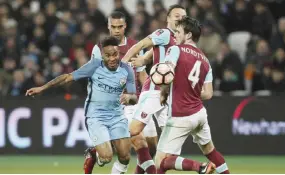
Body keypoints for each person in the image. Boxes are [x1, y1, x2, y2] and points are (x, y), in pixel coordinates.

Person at [26, 36, 136, 174]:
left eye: (115, 54)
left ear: (119, 52)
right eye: (108, 55)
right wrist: (42, 88)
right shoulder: (94, 66)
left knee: (125, 156)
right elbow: (67, 77)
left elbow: (134, 97)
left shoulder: (127, 70)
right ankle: (94, 155)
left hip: (117, 116)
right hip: (96, 116)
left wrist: (129, 97)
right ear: (102, 55)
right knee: (107, 157)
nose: (112, 58)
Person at [83, 11, 158, 174]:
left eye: (120, 27)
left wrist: (150, 93)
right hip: (117, 104)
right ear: (108, 27)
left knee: (152, 147)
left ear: (125, 26)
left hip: (137, 100)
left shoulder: (135, 46)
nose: (116, 30)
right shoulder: (99, 49)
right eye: (113, 27)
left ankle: (95, 153)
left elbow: (142, 74)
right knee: (139, 142)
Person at [156, 16, 230, 174]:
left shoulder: (176, 50)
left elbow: (166, 73)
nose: (175, 35)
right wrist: (191, 93)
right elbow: (208, 93)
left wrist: (163, 89)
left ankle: (200, 167)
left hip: (180, 115)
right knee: (211, 151)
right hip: (199, 114)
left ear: (188, 35)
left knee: (160, 162)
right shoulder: (205, 61)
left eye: (178, 31)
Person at [122, 4, 187, 173]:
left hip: (169, 95)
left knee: (160, 149)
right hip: (153, 91)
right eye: (177, 16)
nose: (180, 18)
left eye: (183, 16)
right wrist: (124, 62)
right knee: (135, 131)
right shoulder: (164, 34)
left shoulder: (182, 40)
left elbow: (148, 56)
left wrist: (142, 61)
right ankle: (99, 145)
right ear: (168, 18)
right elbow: (141, 44)